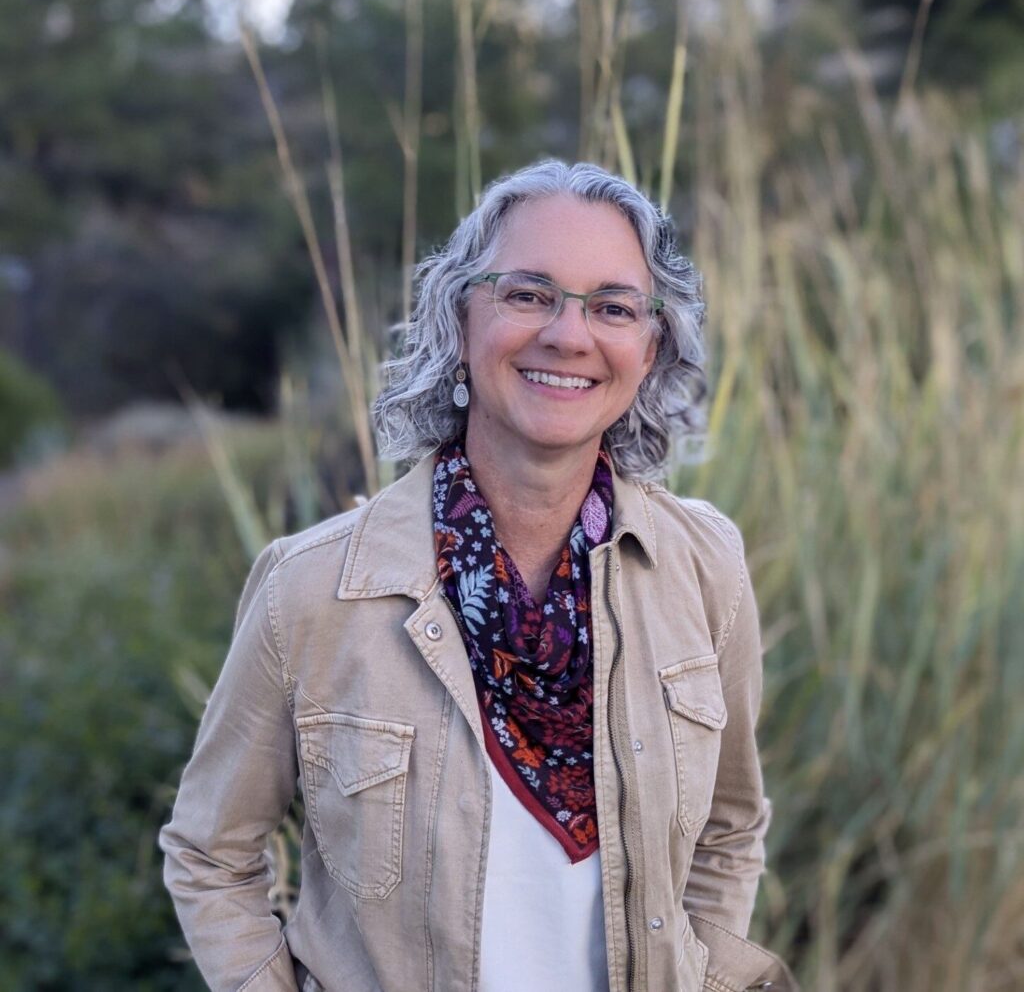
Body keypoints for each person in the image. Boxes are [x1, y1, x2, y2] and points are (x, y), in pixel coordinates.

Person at [159, 160, 797, 992]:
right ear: (459, 318)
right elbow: (210, 854)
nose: (569, 334)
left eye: (612, 307)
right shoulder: (312, 589)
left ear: (650, 348)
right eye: (528, 294)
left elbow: (729, 829)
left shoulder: (704, 566)